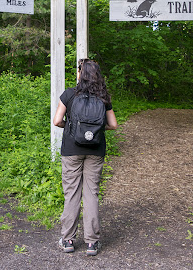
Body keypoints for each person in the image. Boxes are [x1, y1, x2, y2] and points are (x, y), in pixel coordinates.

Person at [52, 58, 118, 256]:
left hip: (72, 149)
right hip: (95, 150)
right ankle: (92, 243)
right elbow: (113, 124)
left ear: (81, 73)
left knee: (71, 193)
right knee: (91, 194)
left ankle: (68, 240)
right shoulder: (103, 97)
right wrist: (96, 130)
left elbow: (57, 121)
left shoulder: (69, 94)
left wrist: (72, 128)